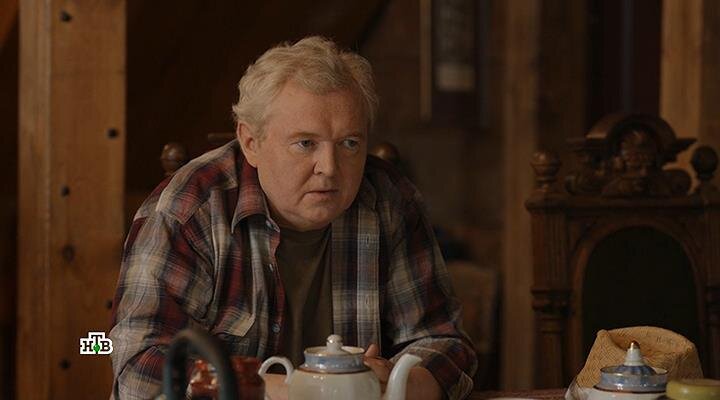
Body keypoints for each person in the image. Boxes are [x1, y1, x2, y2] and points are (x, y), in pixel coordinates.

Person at [109, 36, 477, 400]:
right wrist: (285, 390)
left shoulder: (389, 201)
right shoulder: (190, 210)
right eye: (305, 143)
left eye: (349, 143)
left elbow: (443, 342)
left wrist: (397, 383)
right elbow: (139, 368)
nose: (329, 168)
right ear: (251, 143)